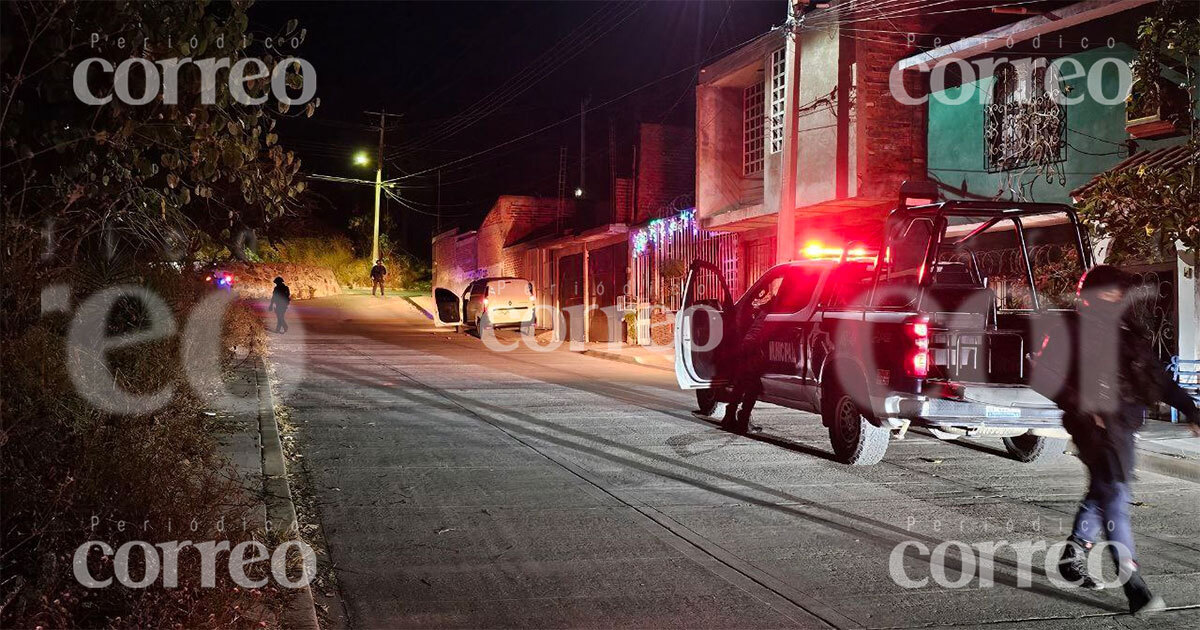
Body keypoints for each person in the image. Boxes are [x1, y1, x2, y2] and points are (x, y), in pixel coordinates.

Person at [1038, 265, 1199, 617]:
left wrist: (1191, 409)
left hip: (1124, 424)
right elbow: (1042, 376)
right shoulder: (1069, 329)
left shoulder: (1128, 330)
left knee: (1105, 488)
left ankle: (1074, 551)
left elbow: (1157, 379)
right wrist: (1081, 404)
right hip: (1092, 425)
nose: (1113, 298)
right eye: (1106, 292)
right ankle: (1133, 584)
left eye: (1117, 292)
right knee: (1115, 494)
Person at [721, 285, 775, 433]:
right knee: (753, 385)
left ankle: (731, 415)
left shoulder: (768, 305)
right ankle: (742, 418)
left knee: (742, 380)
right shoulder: (778, 305)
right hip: (754, 346)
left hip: (748, 344)